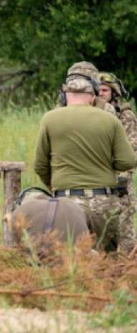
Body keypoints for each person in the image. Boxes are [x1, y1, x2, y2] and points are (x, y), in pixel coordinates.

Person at [34, 73, 137, 253]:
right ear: (92, 97)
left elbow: (40, 165)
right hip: (104, 203)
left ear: (65, 96)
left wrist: (54, 185)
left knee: (71, 257)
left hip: (66, 202)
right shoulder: (111, 119)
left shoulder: (49, 119)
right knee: (106, 261)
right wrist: (105, 163)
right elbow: (127, 162)